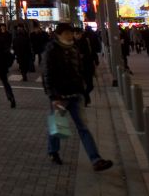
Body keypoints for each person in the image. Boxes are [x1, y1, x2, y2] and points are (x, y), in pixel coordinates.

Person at [44, 23, 114, 171]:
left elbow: (79, 70)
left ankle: (96, 159)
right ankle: (53, 151)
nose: (70, 35)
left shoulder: (74, 48)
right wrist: (53, 96)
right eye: (67, 33)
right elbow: (47, 75)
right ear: (59, 34)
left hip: (75, 94)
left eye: (71, 32)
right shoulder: (52, 50)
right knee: (58, 127)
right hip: (60, 95)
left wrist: (82, 89)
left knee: (83, 128)